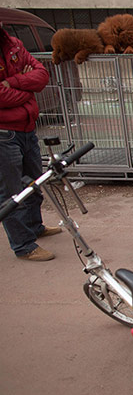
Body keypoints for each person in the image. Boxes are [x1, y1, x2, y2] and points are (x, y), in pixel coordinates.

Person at [0, 26, 61, 261]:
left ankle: (35, 227)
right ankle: (24, 245)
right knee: (10, 192)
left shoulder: (13, 44)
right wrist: (27, 89)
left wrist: (13, 82)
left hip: (27, 128)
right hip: (4, 133)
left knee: (35, 182)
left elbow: (41, 75)